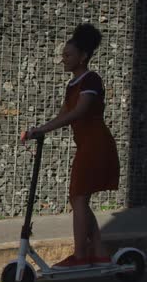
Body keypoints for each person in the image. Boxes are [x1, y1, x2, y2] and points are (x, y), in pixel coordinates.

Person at [23, 23, 120, 269]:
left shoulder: (91, 79)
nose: (63, 59)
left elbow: (80, 111)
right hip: (86, 145)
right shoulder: (73, 84)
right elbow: (63, 114)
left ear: (83, 57)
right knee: (79, 199)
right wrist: (39, 129)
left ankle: (80, 256)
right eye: (63, 55)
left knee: (78, 198)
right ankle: (97, 252)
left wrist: (44, 129)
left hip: (96, 144)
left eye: (68, 55)